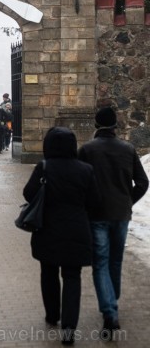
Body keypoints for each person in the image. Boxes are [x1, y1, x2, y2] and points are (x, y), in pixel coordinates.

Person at [23, 126, 101, 345]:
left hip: (47, 229)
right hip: (76, 230)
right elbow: (94, 202)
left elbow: (28, 193)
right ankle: (68, 330)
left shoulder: (44, 167)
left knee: (48, 272)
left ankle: (52, 314)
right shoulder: (86, 169)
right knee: (72, 277)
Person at [78, 107, 149, 339]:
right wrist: (128, 201)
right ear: (115, 126)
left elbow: (80, 182)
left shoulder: (87, 149)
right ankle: (111, 302)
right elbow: (142, 182)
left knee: (100, 263)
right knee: (115, 261)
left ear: (97, 125)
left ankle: (109, 310)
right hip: (120, 214)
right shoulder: (127, 149)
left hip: (97, 214)